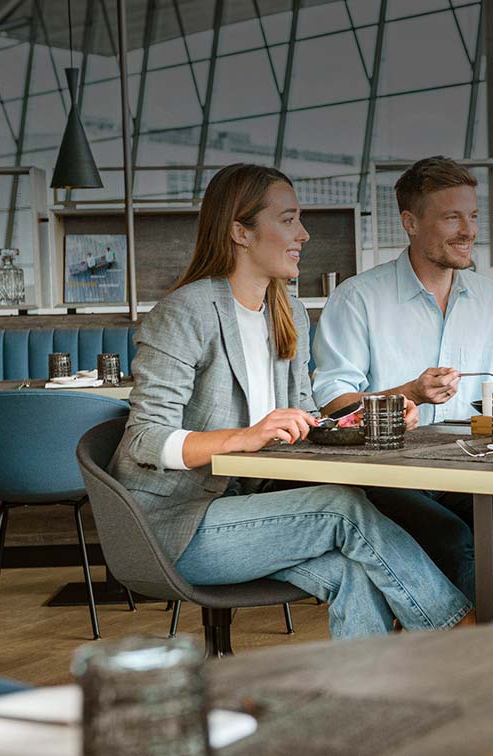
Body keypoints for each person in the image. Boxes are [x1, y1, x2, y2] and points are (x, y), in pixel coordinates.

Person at [112, 163, 470, 638]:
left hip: (257, 511)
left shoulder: (289, 314)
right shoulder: (187, 311)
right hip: (177, 526)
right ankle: (462, 629)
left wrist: (375, 413)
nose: (303, 233)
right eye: (288, 220)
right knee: (341, 508)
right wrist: (243, 438)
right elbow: (144, 438)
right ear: (240, 231)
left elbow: (309, 422)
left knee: (356, 575)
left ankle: (365, 704)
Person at [312, 156, 493, 600]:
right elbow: (332, 405)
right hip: (387, 476)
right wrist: (408, 393)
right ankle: (473, 654)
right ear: (410, 223)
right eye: (452, 217)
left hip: (474, 470)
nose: (468, 230)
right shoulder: (358, 298)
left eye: (472, 216)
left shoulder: (486, 296)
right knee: (453, 539)